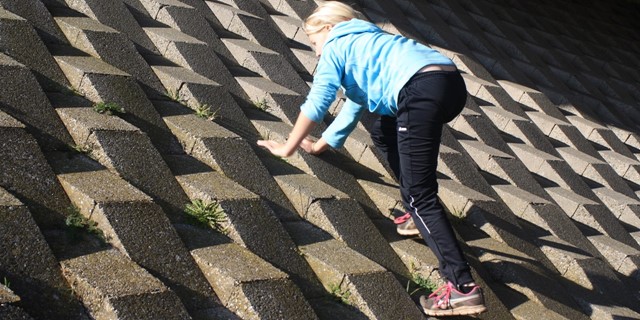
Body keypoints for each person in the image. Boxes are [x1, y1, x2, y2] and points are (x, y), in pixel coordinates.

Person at [257, 1, 487, 316]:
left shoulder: (337, 45)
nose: (317, 53)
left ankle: (461, 288)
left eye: (314, 42)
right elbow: (354, 106)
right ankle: (417, 213)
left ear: (328, 28)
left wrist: (288, 147)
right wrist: (322, 144)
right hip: (448, 82)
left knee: (421, 196)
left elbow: (317, 102)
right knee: (383, 130)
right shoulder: (370, 41)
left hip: (419, 88)